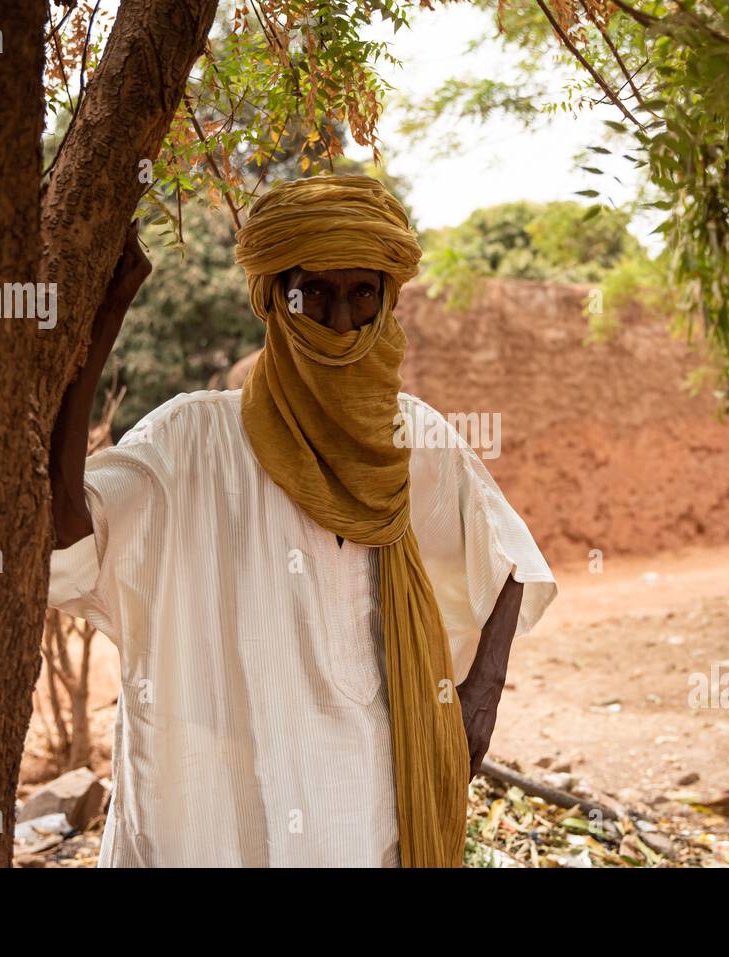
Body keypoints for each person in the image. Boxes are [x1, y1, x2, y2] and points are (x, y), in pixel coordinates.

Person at [46, 175, 556, 867]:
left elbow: (511, 561)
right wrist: (102, 321)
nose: (340, 322)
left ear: (387, 299)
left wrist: (479, 701)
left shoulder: (417, 441)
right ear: (273, 301)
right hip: (216, 815)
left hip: (367, 806)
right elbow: (66, 536)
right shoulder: (191, 443)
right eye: (312, 293)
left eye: (361, 294)